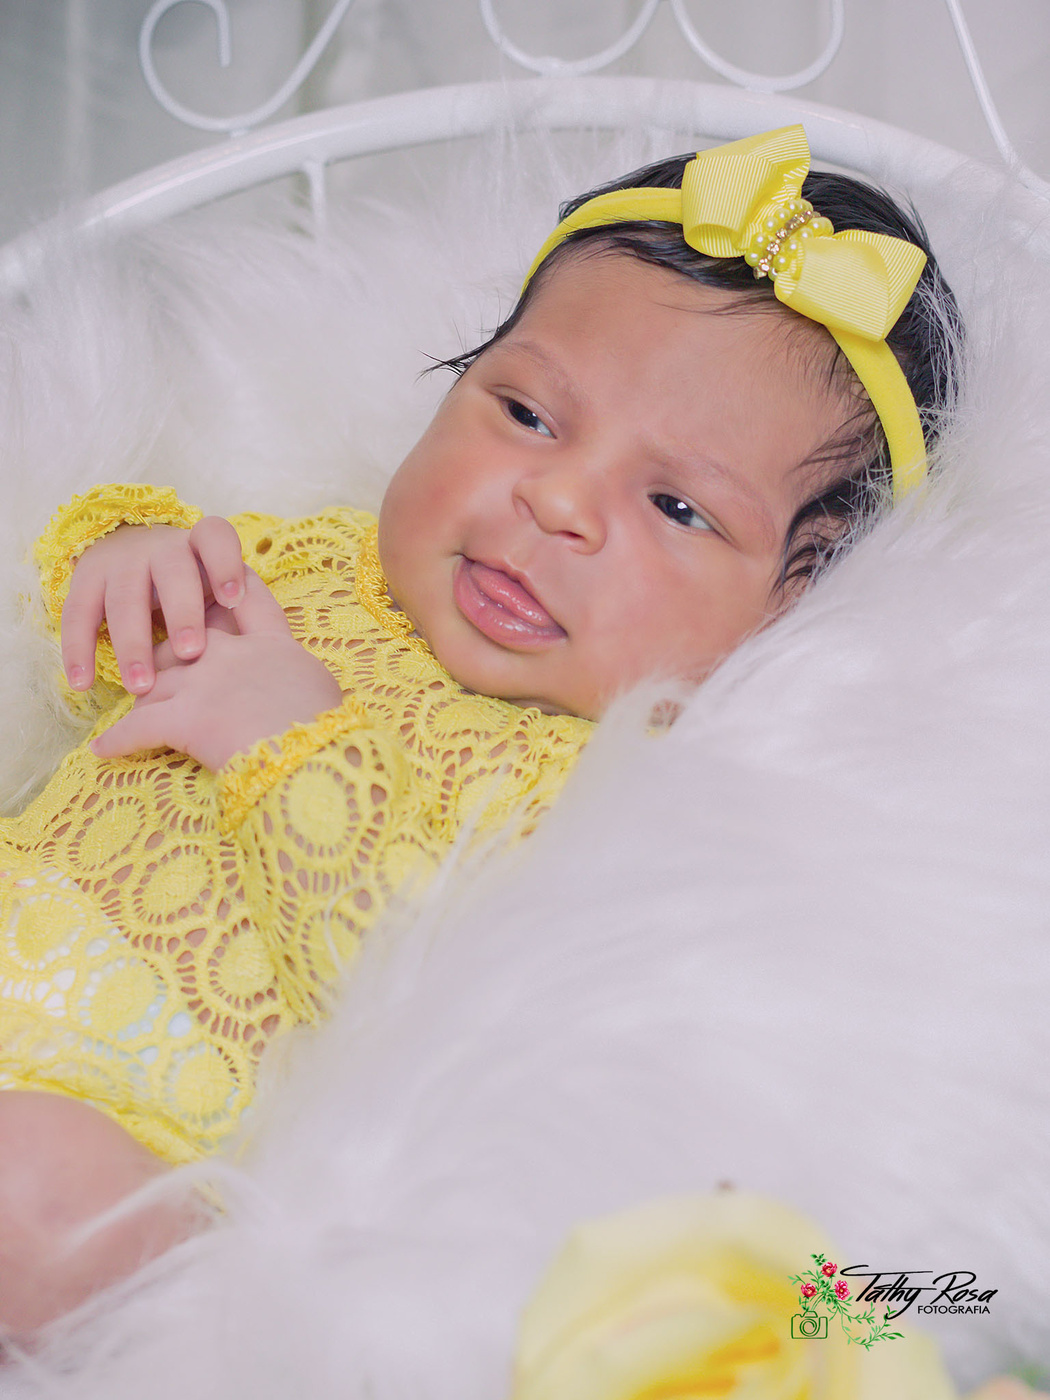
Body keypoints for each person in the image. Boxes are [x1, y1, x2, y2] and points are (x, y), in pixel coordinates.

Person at [0, 126, 960, 1340]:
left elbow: (420, 1010)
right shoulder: (316, 563)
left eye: (676, 504)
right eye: (526, 411)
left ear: (792, 611)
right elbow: (92, 659)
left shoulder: (616, 797)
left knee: (34, 1194)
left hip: (124, 1146)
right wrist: (130, 560)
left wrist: (290, 745)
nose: (554, 499)